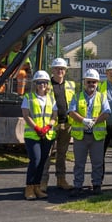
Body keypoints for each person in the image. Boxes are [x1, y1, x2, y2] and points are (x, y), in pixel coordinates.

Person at [68, 69, 111, 197]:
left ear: (97, 83)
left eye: (94, 82)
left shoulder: (102, 97)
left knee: (97, 162)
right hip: (80, 136)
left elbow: (107, 112)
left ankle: (97, 185)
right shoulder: (77, 96)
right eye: (89, 82)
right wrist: (83, 120)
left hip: (96, 136)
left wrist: (96, 121)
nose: (91, 84)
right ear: (84, 82)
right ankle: (78, 186)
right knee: (79, 163)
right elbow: (71, 112)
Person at [21, 70, 57, 200]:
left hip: (47, 135)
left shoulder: (51, 98)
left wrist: (48, 127)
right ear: (35, 84)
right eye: (39, 82)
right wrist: (36, 128)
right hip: (33, 135)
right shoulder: (28, 97)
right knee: (35, 160)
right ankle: (29, 188)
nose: (42, 85)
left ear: (47, 84)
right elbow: (26, 115)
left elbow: (54, 116)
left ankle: (37, 187)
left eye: (45, 82)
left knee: (42, 161)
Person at [40, 57, 74, 192]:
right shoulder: (46, 86)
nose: (60, 71)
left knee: (62, 154)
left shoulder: (70, 85)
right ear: (52, 70)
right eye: (57, 68)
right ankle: (43, 182)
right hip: (51, 124)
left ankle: (61, 180)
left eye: (62, 69)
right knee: (47, 154)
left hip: (66, 125)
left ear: (65, 71)